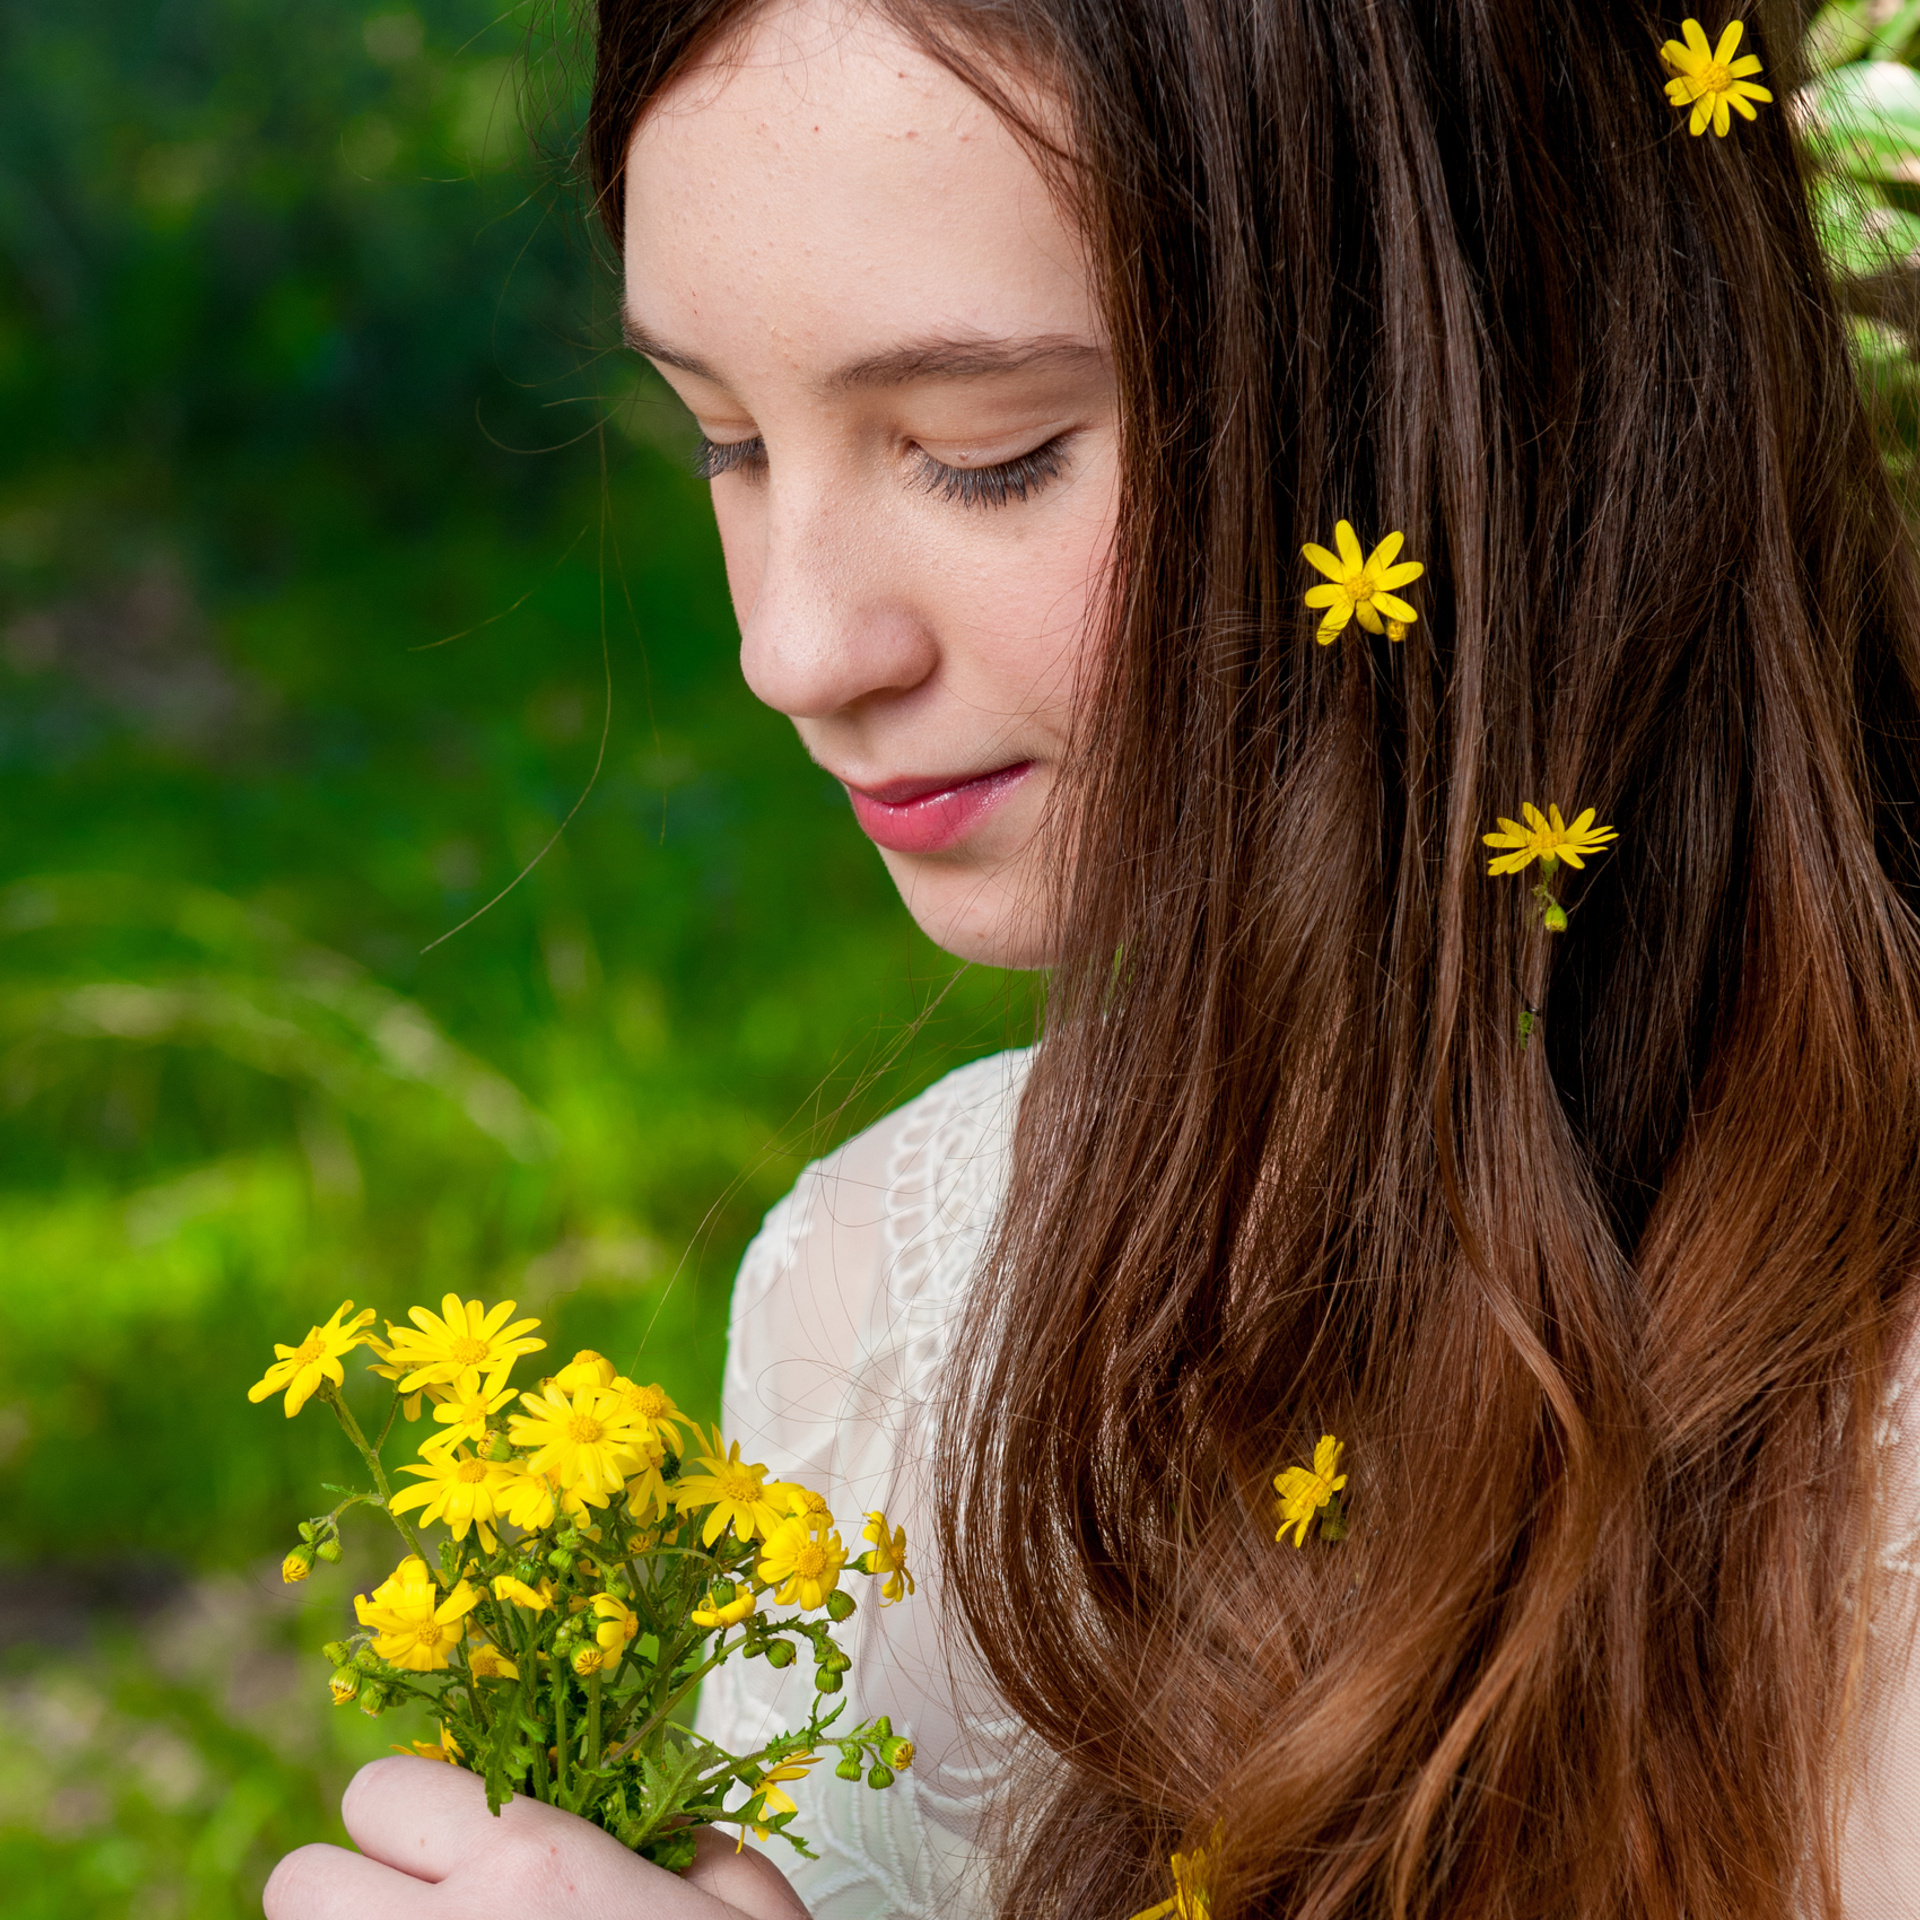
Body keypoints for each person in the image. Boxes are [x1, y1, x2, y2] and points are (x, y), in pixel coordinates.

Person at [263, 1, 1920, 1916]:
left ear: (1515, 385)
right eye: (723, 437)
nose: (794, 649)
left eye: (985, 452)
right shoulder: (872, 1299)